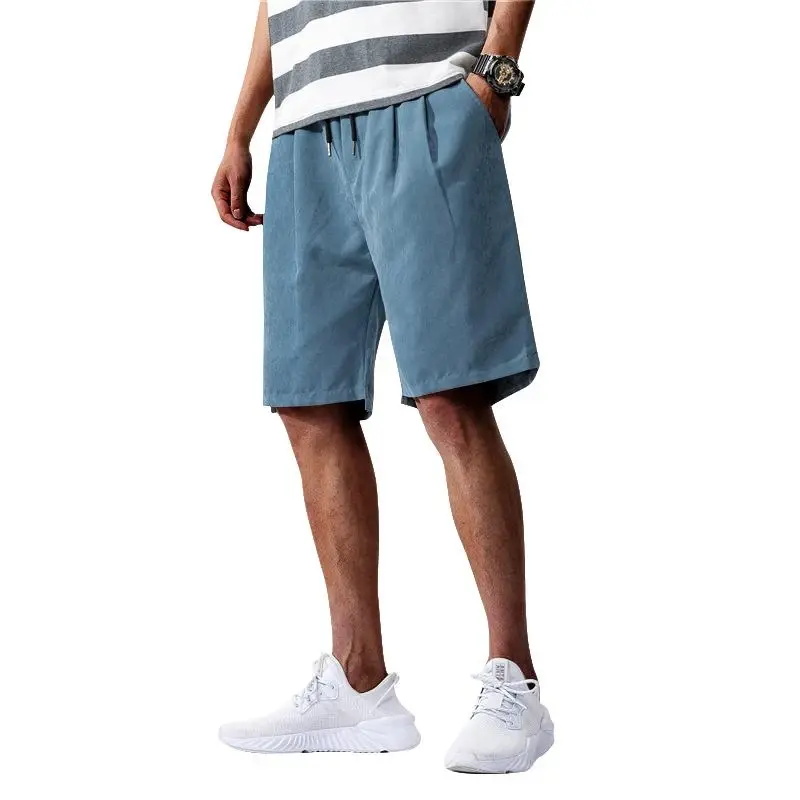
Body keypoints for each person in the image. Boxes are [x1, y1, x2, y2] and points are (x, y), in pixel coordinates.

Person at [212, 0, 553, 774]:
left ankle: (515, 682)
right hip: (304, 129)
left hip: (426, 93)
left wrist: (496, 71)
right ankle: (357, 682)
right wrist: (240, 127)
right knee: (308, 402)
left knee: (450, 396)